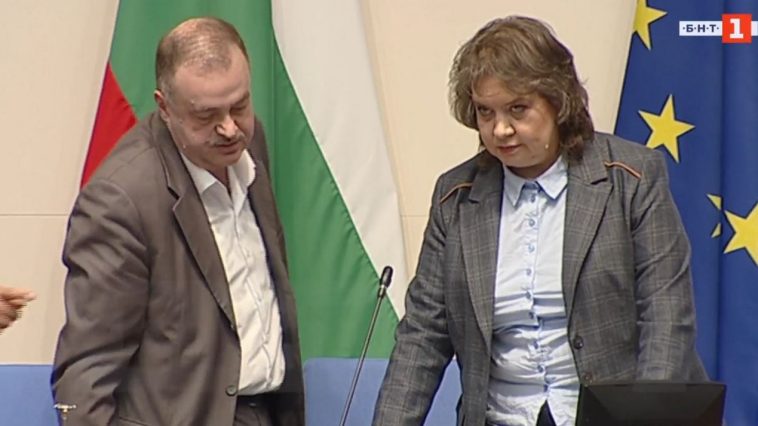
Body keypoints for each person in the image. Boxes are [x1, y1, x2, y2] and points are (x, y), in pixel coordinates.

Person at [373, 16, 707, 426]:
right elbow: (423, 335)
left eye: (518, 109)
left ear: (558, 101)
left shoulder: (631, 178)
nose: (500, 129)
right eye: (485, 112)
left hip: (614, 418)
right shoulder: (456, 197)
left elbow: (666, 318)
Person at [52, 17, 304, 426]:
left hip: (266, 411)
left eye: (239, 105)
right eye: (206, 115)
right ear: (165, 107)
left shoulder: (249, 142)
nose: (230, 129)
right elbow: (87, 372)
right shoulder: (119, 200)